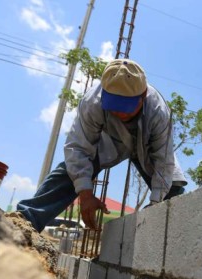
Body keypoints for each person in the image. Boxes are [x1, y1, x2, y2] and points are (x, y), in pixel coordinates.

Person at [17, 59, 187, 232]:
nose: (119, 112)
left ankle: (170, 238)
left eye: (126, 107)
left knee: (172, 191)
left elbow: (163, 160)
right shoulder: (93, 101)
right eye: (114, 105)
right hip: (109, 142)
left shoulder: (158, 111)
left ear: (142, 96)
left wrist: (155, 204)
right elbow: (77, 148)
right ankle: (25, 221)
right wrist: (85, 194)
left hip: (147, 146)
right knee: (70, 171)